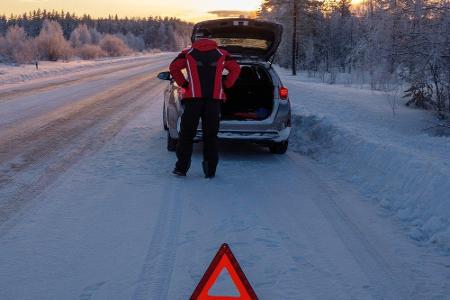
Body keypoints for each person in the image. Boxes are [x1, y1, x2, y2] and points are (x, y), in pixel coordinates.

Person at [169, 32, 241, 178]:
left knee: (187, 135)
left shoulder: (187, 53)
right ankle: (210, 171)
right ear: (211, 39)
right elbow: (236, 69)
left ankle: (181, 168)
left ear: (196, 39)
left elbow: (174, 67)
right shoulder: (222, 53)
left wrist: (184, 84)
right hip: (214, 101)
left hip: (193, 100)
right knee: (211, 136)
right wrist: (226, 84)